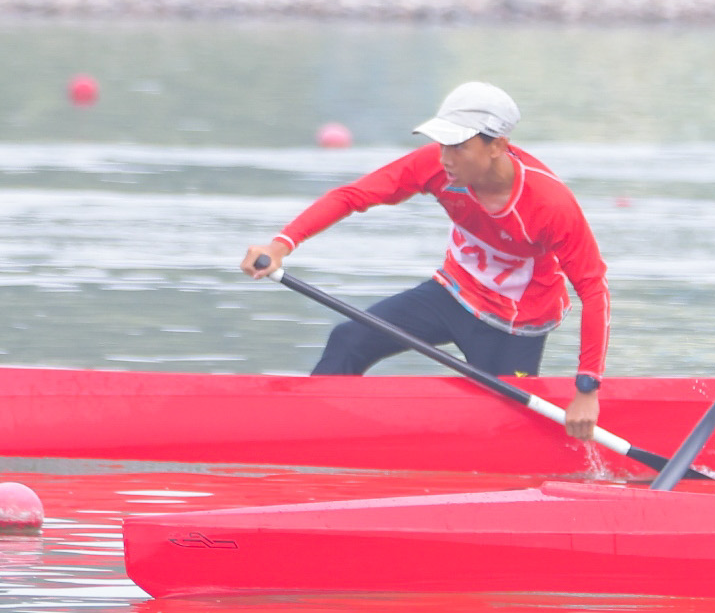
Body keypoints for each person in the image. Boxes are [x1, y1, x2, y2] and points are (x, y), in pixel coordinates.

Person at [241, 81, 610, 442]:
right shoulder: (436, 166)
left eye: (459, 146)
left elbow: (594, 290)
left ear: (497, 146)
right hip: (452, 295)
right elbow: (353, 195)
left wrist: (587, 387)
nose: (446, 157)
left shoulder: (550, 204)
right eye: (442, 143)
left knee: (503, 426)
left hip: (516, 324)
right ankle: (307, 437)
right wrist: (281, 244)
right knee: (348, 339)